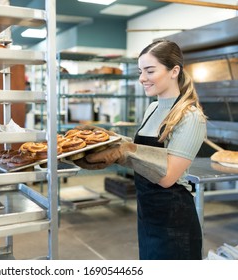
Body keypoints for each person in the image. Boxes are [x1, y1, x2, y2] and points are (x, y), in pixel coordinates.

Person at [74, 39, 207, 260]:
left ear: (174, 71)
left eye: (150, 71)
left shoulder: (190, 117)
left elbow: (167, 176)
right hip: (147, 212)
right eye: (140, 71)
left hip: (175, 217)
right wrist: (109, 141)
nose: (142, 78)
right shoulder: (153, 108)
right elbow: (142, 149)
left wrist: (124, 153)